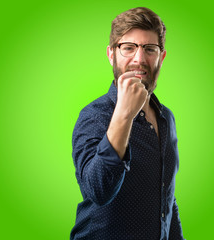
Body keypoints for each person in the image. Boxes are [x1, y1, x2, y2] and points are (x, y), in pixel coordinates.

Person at [70, 7, 185, 240]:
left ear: (161, 57)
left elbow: (166, 198)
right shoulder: (94, 116)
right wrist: (124, 113)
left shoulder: (166, 118)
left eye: (149, 49)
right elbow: (98, 191)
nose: (139, 59)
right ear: (111, 54)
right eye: (128, 48)